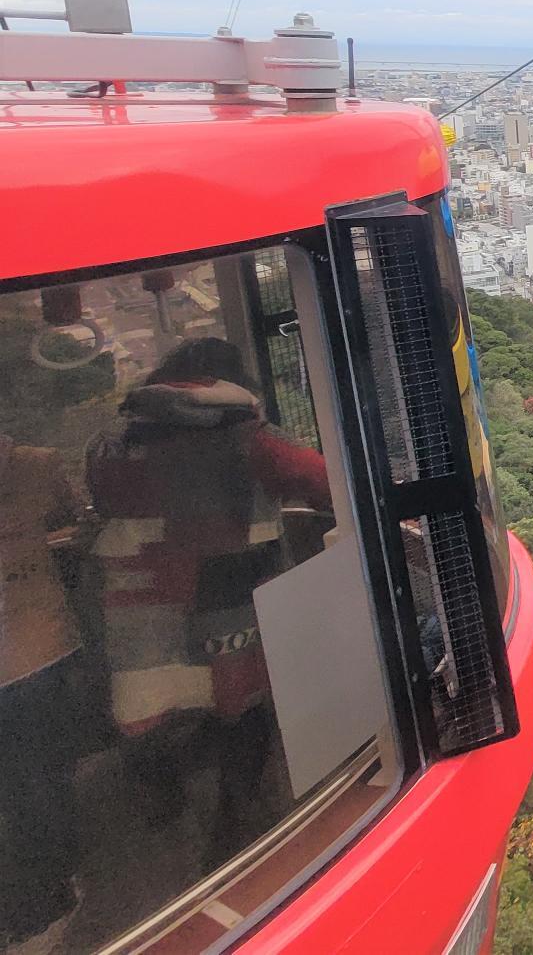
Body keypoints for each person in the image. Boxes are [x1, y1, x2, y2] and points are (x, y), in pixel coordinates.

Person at [86, 338, 330, 867]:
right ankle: (237, 840)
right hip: (229, 603)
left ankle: (162, 827)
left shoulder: (113, 444)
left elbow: (102, 501)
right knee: (241, 710)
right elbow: (324, 482)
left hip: (138, 612)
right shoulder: (251, 439)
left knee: (151, 712)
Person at [0, 433, 88, 942]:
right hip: (39, 642)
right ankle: (56, 885)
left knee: (19, 776)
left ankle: (39, 887)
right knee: (43, 768)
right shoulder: (39, 465)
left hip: (28, 643)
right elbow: (76, 522)